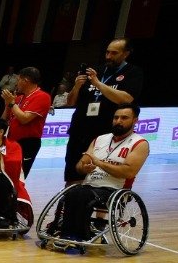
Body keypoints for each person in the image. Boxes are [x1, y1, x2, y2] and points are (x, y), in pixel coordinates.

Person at [59, 105, 150, 249]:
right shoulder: (100, 139)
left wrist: (99, 163)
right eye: (116, 117)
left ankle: (77, 236)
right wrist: (84, 167)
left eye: (124, 118)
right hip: (90, 185)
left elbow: (128, 172)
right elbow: (79, 166)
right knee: (71, 191)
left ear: (135, 120)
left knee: (81, 194)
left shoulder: (140, 143)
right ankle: (63, 231)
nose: (118, 121)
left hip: (115, 189)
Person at [64, 39, 143, 184]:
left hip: (104, 135)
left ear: (126, 54)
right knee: (73, 173)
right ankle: (70, 203)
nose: (108, 56)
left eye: (114, 53)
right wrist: (76, 87)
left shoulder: (133, 73)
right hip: (79, 131)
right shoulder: (96, 71)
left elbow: (126, 99)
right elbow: (70, 102)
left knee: (97, 177)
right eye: (107, 52)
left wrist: (98, 84)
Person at [2, 67, 51, 176]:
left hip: (27, 143)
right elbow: (3, 120)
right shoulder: (19, 98)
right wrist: (7, 104)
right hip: (11, 142)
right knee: (5, 174)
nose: (16, 83)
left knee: (18, 176)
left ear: (26, 80)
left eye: (18, 80)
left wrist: (11, 103)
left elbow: (24, 119)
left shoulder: (42, 96)